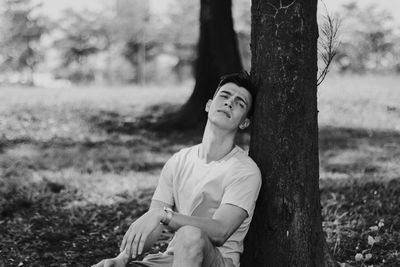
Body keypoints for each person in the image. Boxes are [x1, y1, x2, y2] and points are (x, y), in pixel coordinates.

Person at [92, 71, 261, 267]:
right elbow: (152, 226)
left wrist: (165, 215)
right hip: (168, 261)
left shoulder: (245, 171)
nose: (229, 102)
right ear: (208, 105)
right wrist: (121, 259)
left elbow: (220, 231)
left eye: (240, 103)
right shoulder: (179, 160)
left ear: (245, 122)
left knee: (190, 234)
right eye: (224, 96)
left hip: (217, 262)